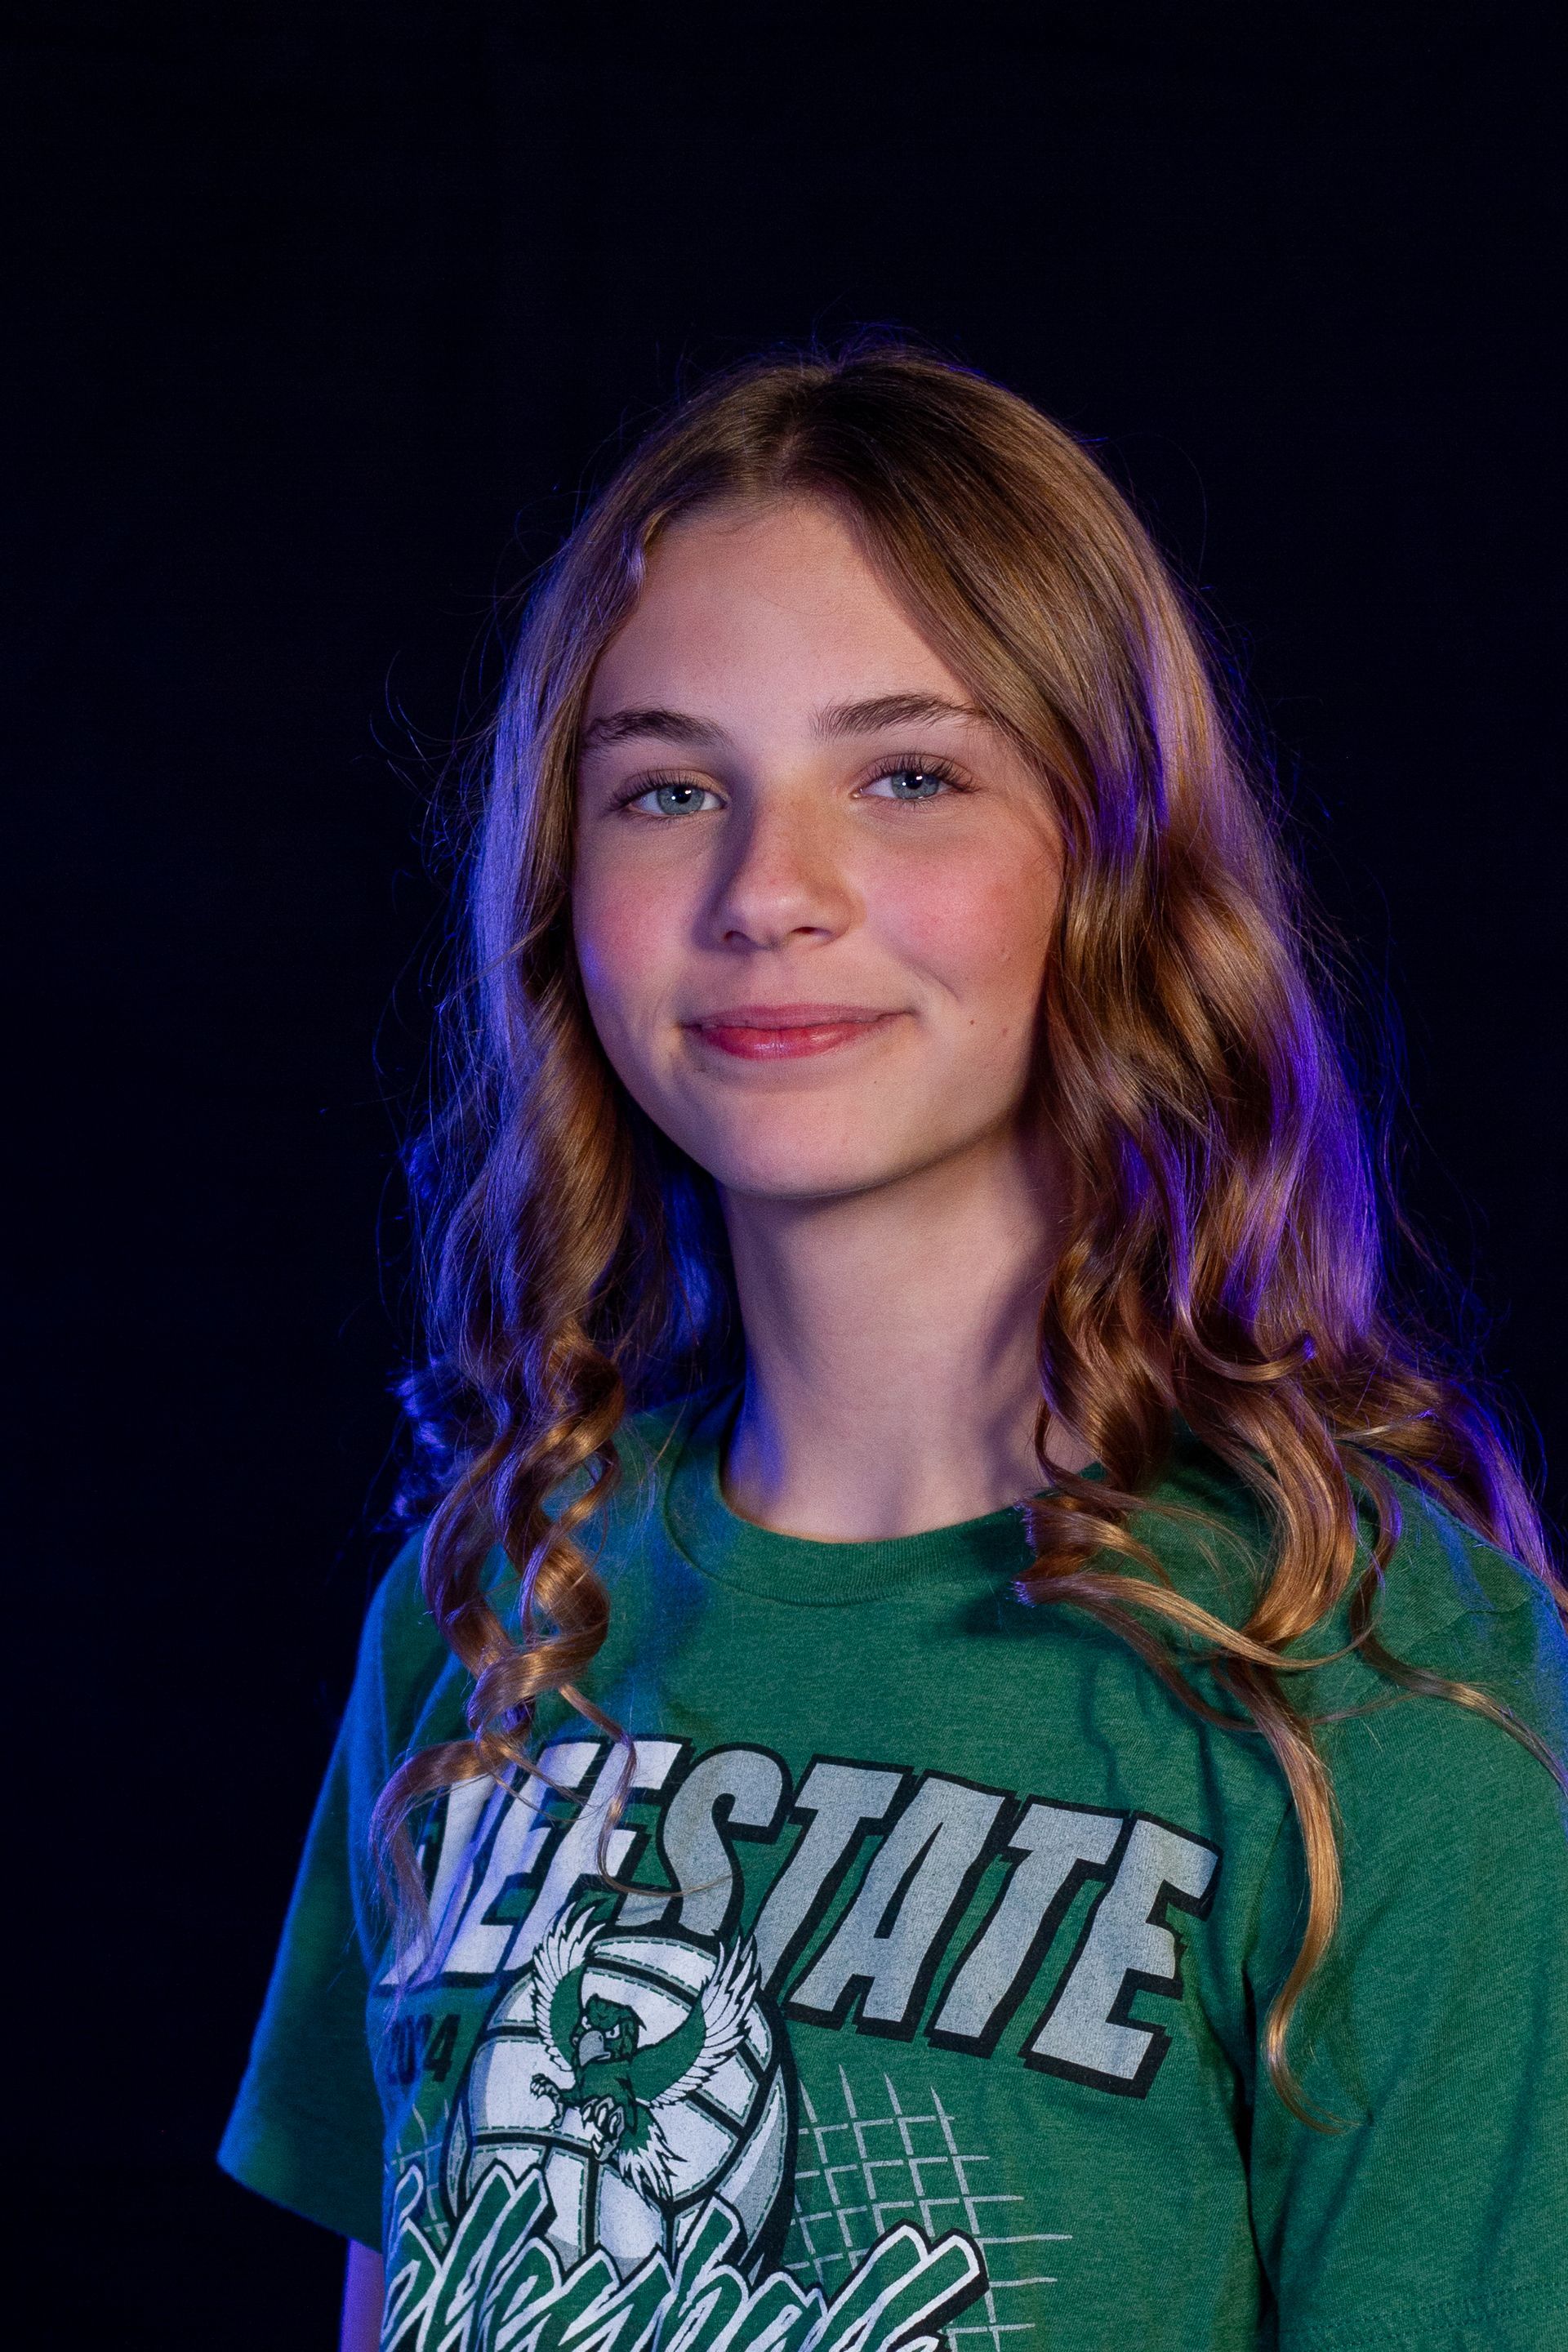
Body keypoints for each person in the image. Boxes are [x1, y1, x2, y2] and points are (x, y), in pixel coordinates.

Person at [220, 344, 1568, 2352]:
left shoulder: (1372, 1669)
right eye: (669, 790)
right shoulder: (493, 1609)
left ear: (1111, 863)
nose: (772, 894)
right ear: (560, 892)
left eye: (909, 775)